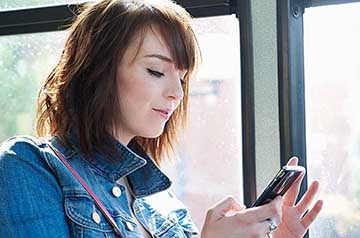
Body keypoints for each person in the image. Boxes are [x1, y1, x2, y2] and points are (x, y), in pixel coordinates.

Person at [0, 0, 323, 237]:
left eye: (182, 78)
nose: (177, 94)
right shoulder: (27, 167)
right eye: (156, 71)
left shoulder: (162, 202)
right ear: (96, 72)